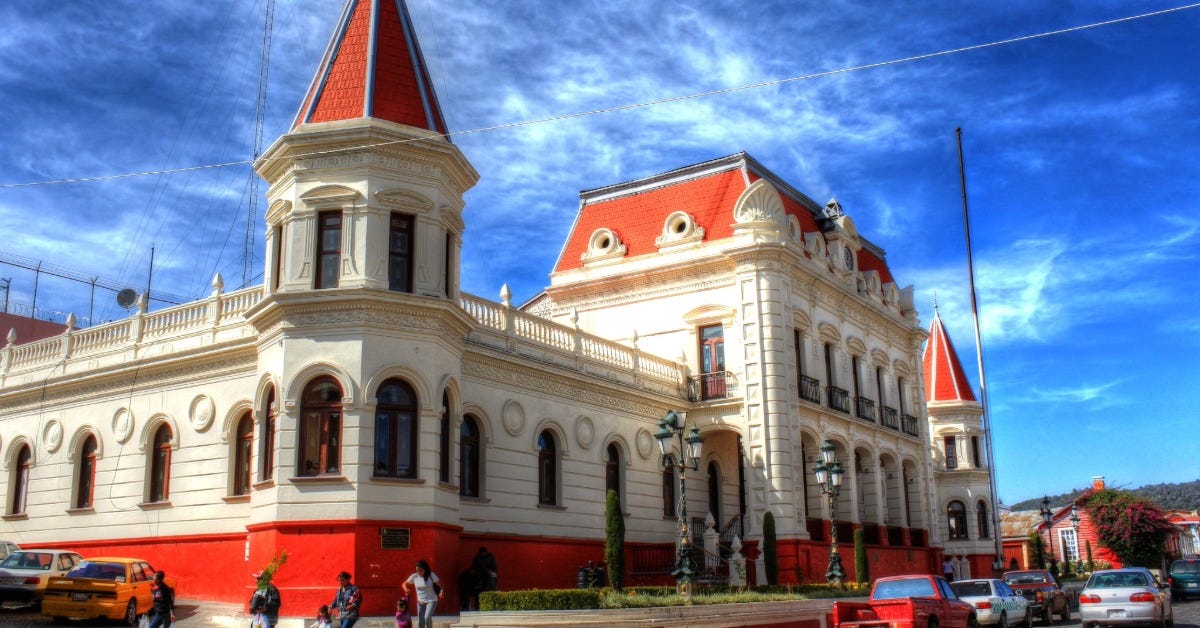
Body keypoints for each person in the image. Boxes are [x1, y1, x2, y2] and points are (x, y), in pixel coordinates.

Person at [401, 560, 443, 628]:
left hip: (431, 600)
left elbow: (440, 585)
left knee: (427, 617)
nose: (418, 572)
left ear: (425, 569)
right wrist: (406, 589)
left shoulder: (431, 575)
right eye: (417, 570)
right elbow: (404, 584)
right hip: (420, 603)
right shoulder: (414, 576)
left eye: (420, 570)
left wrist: (441, 591)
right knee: (421, 622)